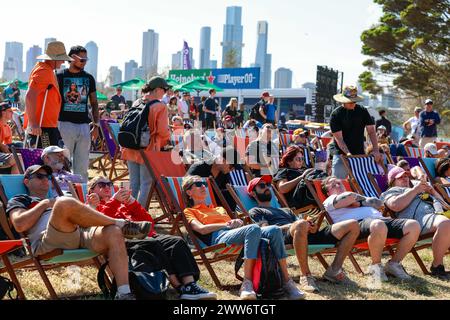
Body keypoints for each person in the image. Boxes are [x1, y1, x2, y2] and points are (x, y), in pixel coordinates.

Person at [6, 164, 152, 300]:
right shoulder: (20, 199)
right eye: (39, 176)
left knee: (113, 232)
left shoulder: (56, 198)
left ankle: (124, 293)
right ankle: (122, 224)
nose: (45, 180)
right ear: (26, 181)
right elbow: (19, 224)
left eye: (48, 177)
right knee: (64, 202)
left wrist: (87, 207)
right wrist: (45, 204)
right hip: (49, 240)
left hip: (78, 232)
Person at [86, 176, 217, 300]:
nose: (107, 187)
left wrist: (132, 202)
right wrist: (114, 201)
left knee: (176, 241)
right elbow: (101, 222)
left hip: (145, 235)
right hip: (124, 240)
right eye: (101, 185)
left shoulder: (122, 203)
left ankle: (190, 284)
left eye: (109, 184)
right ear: (92, 190)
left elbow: (149, 222)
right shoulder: (93, 205)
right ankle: (179, 286)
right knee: (154, 244)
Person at [182, 175, 305, 300]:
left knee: (274, 230)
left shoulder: (219, 208)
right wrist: (225, 224)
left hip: (236, 233)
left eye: (205, 184)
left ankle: (286, 282)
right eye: (198, 184)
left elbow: (235, 226)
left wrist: (237, 222)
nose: (203, 186)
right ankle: (247, 283)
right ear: (189, 192)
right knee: (253, 228)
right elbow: (201, 230)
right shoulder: (189, 211)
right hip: (219, 237)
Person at [248, 175, 359, 292]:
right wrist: (295, 225)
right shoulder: (256, 211)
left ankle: (334, 270)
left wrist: (312, 227)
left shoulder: (286, 210)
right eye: (261, 186)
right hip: (283, 236)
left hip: (303, 233)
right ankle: (306, 276)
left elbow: (302, 224)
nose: (266, 187)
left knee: (352, 225)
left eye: (267, 185)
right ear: (253, 194)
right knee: (301, 224)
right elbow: (266, 231)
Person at [322, 176, 421, 282]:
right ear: (328, 192)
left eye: (339, 183)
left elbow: (378, 203)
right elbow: (350, 197)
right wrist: (362, 200)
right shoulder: (329, 201)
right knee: (378, 225)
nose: (338, 185)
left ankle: (394, 264)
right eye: (333, 185)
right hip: (357, 225)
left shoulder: (357, 198)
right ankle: (376, 267)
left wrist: (359, 203)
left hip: (379, 220)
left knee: (413, 225)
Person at [380, 167, 450, 279]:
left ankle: (437, 267)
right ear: (392, 181)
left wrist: (432, 192)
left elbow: (444, 205)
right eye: (400, 177)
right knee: (445, 224)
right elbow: (395, 205)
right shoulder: (391, 191)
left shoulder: (417, 186)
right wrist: (415, 190)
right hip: (417, 220)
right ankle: (437, 267)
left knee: (445, 223)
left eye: (406, 176)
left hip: (435, 214)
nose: (405, 178)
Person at [121, 77, 171, 207]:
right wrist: (167, 138)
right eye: (165, 90)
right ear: (157, 89)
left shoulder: (137, 102)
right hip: (148, 149)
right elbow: (162, 131)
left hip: (131, 147)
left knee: (134, 183)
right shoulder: (160, 106)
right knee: (146, 183)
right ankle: (139, 215)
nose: (165, 93)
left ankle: (128, 211)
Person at [57, 45, 99, 182]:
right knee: (62, 165)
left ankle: (81, 198)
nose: (85, 62)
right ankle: (62, 198)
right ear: (71, 58)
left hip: (84, 126)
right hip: (64, 124)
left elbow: (94, 103)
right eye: (82, 59)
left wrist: (96, 125)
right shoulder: (59, 76)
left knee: (82, 168)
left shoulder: (89, 78)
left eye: (86, 59)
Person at [25, 41, 73, 148]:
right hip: (43, 128)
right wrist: (34, 124)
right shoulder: (44, 72)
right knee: (46, 162)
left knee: (51, 161)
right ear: (54, 58)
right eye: (62, 58)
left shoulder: (45, 70)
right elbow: (30, 96)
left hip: (47, 126)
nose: (64, 61)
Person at [330, 85, 382, 179]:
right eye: (350, 101)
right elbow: (339, 139)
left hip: (359, 153)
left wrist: (376, 150)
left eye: (354, 100)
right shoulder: (336, 114)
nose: (352, 103)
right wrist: (348, 153)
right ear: (344, 100)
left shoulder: (362, 110)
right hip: (341, 153)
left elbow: (371, 131)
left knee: (362, 181)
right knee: (338, 181)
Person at [0, 102, 19, 174]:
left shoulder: (7, 127)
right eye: (10, 111)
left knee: (19, 147)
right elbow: (2, 146)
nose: (12, 113)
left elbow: (8, 145)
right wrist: (11, 155)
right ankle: (14, 184)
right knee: (17, 158)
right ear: (3, 112)